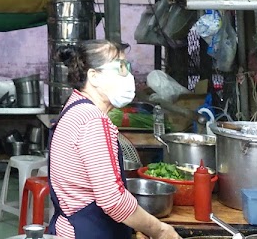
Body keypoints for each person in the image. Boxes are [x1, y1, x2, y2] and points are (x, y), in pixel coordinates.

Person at [48, 41, 180, 239]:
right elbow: (113, 200)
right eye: (121, 67)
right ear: (94, 76)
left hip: (72, 227)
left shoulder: (74, 106)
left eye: (127, 67)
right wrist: (160, 230)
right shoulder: (93, 120)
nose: (128, 75)